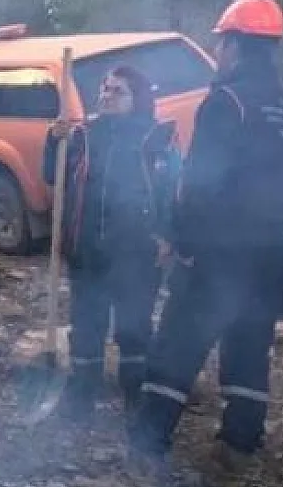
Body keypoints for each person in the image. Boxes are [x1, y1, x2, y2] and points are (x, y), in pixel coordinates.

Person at [126, 0, 283, 487]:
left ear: (234, 43)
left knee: (173, 354)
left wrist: (183, 239)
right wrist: (269, 225)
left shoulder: (225, 102)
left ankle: (142, 474)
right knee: (249, 358)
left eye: (221, 40)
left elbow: (199, 184)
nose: (218, 49)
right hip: (271, 255)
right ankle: (232, 471)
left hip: (216, 255)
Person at [42, 65, 181, 420]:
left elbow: (173, 192)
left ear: (137, 98)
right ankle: (79, 401)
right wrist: (53, 141)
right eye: (104, 89)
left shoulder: (157, 137)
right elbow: (52, 176)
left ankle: (137, 399)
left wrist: (166, 234)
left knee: (133, 328)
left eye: (117, 91)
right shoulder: (82, 135)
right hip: (87, 247)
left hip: (135, 251)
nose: (106, 95)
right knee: (86, 326)